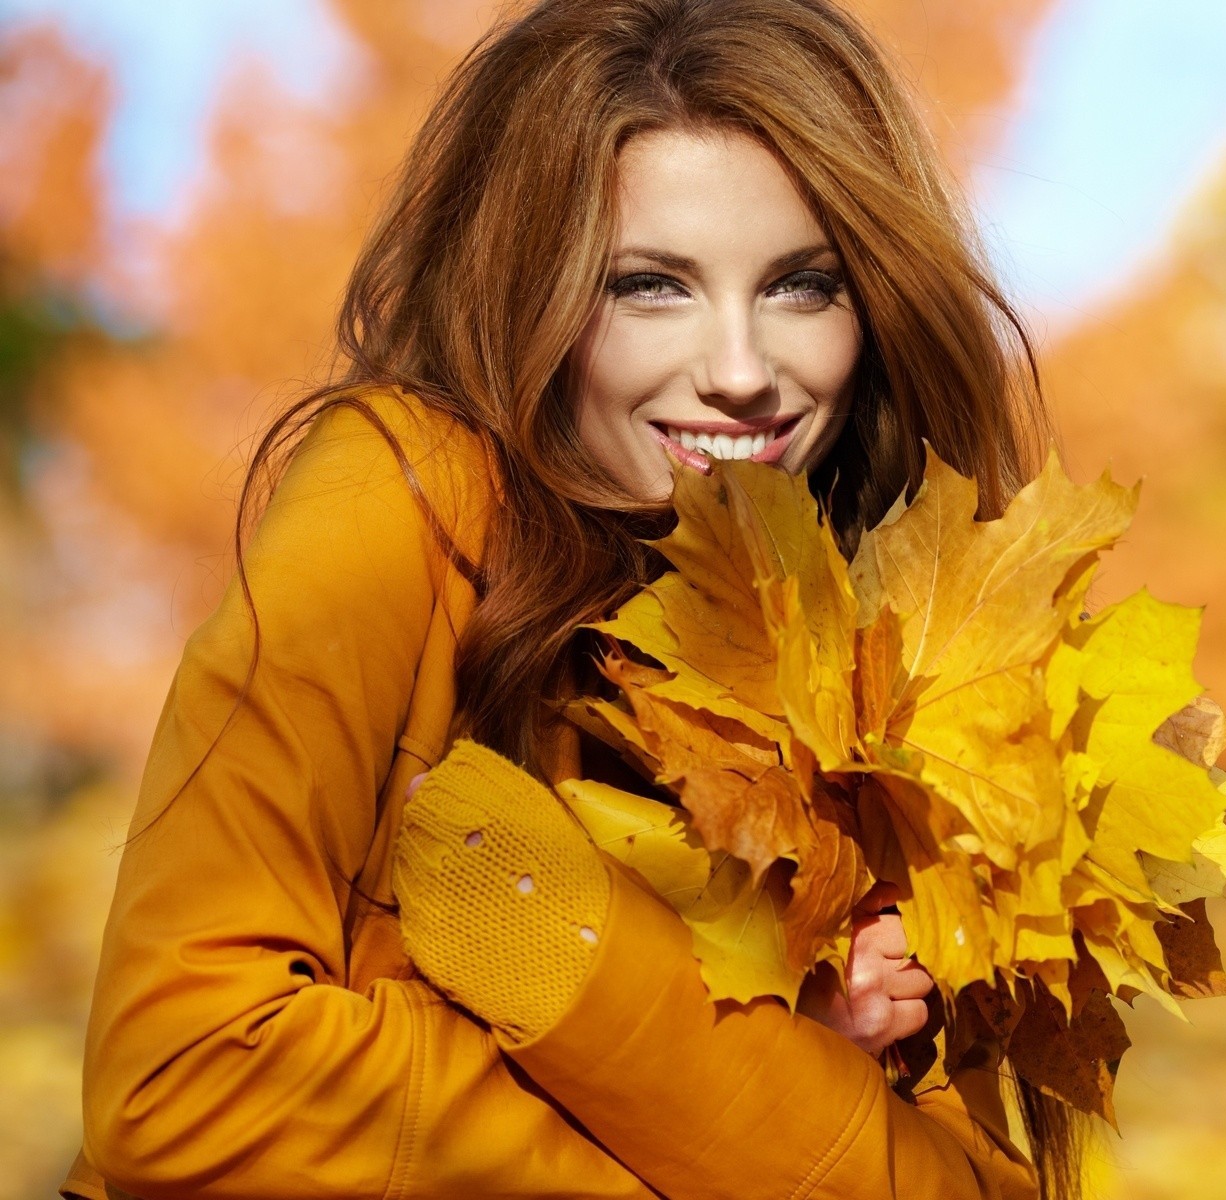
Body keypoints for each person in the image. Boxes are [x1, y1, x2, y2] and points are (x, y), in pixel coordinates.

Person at [63, 1, 1085, 1196]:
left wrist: (772, 1045)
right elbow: (180, 1076)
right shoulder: (406, 494)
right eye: (650, 285)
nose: (744, 370)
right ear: (530, 288)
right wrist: (715, 1098)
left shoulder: (865, 647)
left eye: (804, 287)